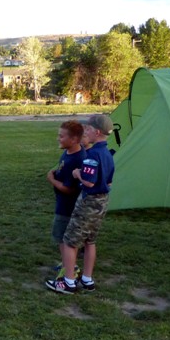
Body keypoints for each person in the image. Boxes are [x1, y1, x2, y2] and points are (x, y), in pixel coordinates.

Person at [45, 114, 115, 294]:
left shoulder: (92, 154)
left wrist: (78, 175)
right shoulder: (108, 153)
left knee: (69, 241)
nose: (86, 133)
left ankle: (68, 282)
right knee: (90, 241)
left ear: (97, 132)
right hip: (102, 202)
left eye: (89, 130)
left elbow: (89, 182)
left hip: (89, 202)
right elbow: (109, 183)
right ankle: (87, 279)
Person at [45, 120, 85, 274]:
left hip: (67, 205)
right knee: (62, 236)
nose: (58, 138)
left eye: (61, 136)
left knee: (62, 237)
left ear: (74, 139)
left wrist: (51, 179)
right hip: (62, 202)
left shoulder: (77, 159)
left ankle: (69, 267)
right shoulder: (69, 152)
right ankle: (67, 263)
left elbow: (68, 189)